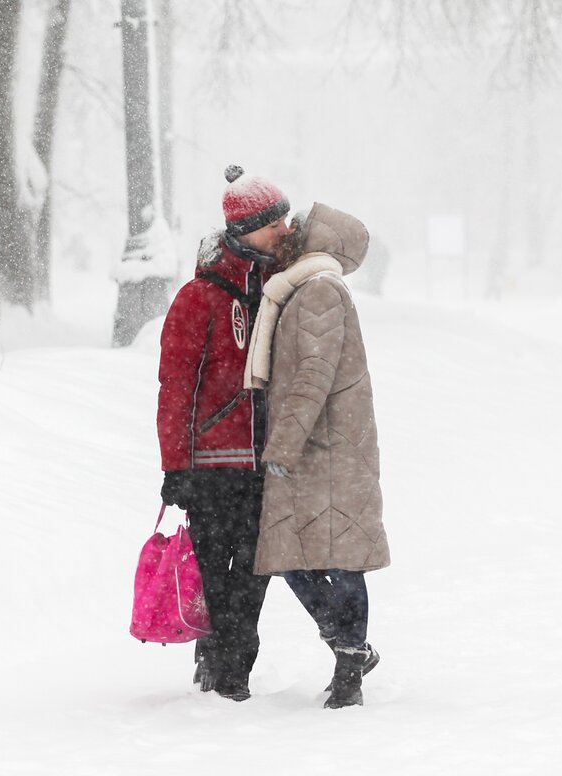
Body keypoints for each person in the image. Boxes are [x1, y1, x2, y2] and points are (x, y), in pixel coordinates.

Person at [244, 203, 390, 709]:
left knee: (342, 561)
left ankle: (350, 667)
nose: (292, 229)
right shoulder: (302, 289)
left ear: (321, 239)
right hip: (320, 448)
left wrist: (283, 443)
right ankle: (351, 649)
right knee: (295, 559)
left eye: (302, 226)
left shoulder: (320, 291)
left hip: (327, 450)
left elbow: (314, 373)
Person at [156, 165, 291, 702]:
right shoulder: (200, 297)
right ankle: (221, 670)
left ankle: (232, 662)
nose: (285, 230)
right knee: (215, 571)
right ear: (248, 228)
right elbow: (175, 387)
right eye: (275, 221)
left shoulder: (279, 289)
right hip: (212, 466)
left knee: (257, 570)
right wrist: (176, 465)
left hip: (264, 463)